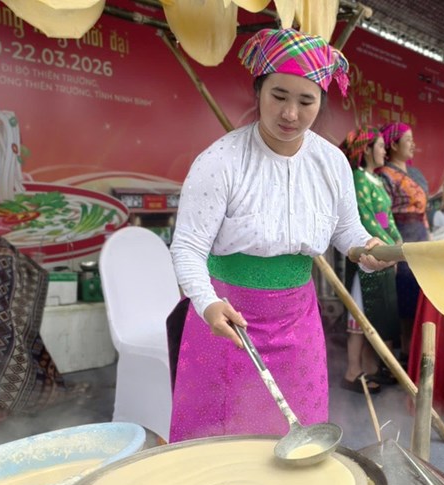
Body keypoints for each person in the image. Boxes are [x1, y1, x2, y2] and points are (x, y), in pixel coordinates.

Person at [168, 28, 391, 442]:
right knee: (219, 437)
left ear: (321, 101)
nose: (290, 113)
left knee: (294, 437)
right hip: (227, 318)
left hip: (297, 320)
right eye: (278, 96)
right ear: (258, 91)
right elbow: (187, 247)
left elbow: (346, 229)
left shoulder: (331, 163)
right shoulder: (220, 161)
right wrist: (207, 304)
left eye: (305, 101)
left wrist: (364, 249)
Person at [339, 126, 403, 393]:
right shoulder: (357, 179)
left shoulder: (376, 180)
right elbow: (364, 220)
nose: (384, 150)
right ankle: (352, 370)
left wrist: (398, 245)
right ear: (365, 150)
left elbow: (387, 219)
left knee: (377, 314)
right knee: (360, 313)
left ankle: (371, 367)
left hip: (384, 253)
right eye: (379, 145)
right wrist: (388, 248)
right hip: (369, 252)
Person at [376, 122, 428, 360]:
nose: (413, 145)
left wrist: (428, 233)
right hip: (400, 237)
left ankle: (416, 348)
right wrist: (390, 243)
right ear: (393, 144)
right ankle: (404, 351)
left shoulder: (415, 173)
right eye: (408, 140)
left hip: (420, 237)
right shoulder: (383, 175)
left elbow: (424, 210)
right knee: (403, 294)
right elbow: (383, 214)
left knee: (419, 294)